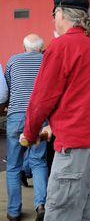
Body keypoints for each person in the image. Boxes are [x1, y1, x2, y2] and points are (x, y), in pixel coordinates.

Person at [20, 0, 90, 221]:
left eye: (54, 15)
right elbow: (87, 97)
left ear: (60, 13)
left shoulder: (63, 45)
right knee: (82, 203)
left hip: (77, 143)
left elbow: (42, 99)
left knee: (58, 210)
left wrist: (29, 132)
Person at [5, 34, 47, 221]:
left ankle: (14, 212)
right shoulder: (46, 60)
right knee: (38, 162)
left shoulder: (13, 60)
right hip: (39, 116)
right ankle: (41, 206)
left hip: (15, 116)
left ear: (24, 47)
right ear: (41, 47)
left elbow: (7, 88)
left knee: (13, 166)